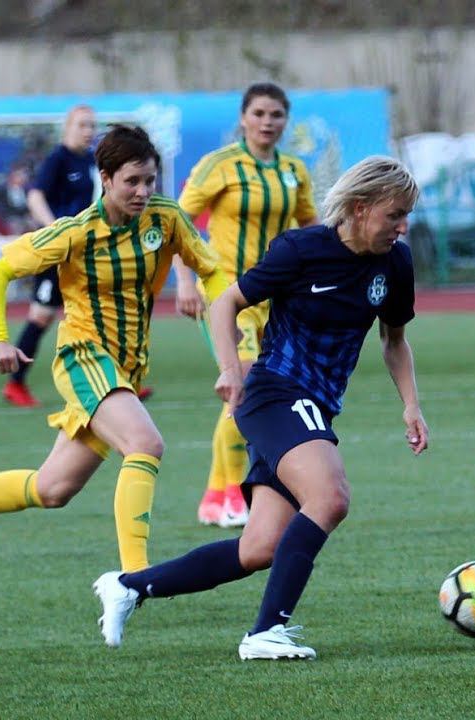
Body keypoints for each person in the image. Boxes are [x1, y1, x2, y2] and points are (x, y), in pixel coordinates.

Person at [91, 155, 428, 660]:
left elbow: (393, 339)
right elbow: (226, 303)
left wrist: (411, 406)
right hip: (273, 392)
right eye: (394, 215)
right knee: (330, 496)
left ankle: (129, 586)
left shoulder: (395, 264)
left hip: (315, 405)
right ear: (360, 208)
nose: (402, 228)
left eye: (406, 216)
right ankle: (267, 632)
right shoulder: (302, 250)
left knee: (259, 549)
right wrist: (231, 369)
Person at [0, 125, 228, 575]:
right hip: (83, 357)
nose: (142, 191)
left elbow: (212, 272)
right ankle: (134, 579)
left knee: (52, 489)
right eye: (131, 181)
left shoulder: (165, 218)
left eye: (149, 180)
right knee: (145, 443)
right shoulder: (76, 232)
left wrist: (227, 338)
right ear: (105, 178)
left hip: (126, 369)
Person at [174, 82, 318, 528]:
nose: (267, 122)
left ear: (285, 120)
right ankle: (233, 496)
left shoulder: (293, 170)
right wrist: (184, 282)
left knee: (258, 390)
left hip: (277, 299)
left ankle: (217, 498)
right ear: (243, 118)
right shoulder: (220, 165)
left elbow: (310, 226)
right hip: (226, 296)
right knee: (243, 385)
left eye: (276, 114)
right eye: (259, 113)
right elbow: (178, 222)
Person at [1, 104, 150, 406]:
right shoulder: (58, 159)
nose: (88, 131)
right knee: (41, 317)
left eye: (92, 125)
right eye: (82, 125)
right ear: (67, 128)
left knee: (102, 313)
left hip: (86, 252)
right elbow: (35, 196)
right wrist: (54, 230)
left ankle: (121, 381)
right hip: (60, 254)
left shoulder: (91, 162)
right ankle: (15, 383)